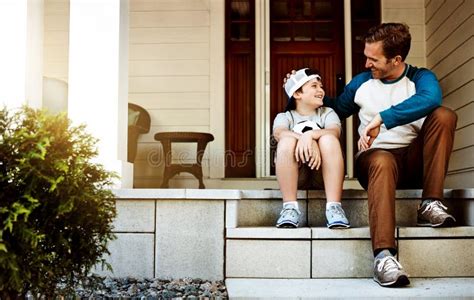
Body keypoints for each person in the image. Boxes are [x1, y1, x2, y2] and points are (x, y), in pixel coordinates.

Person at [316, 23, 456, 287]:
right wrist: (302, 93)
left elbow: (432, 99)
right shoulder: (361, 83)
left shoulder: (420, 78)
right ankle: (383, 256)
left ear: (397, 59)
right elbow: (335, 109)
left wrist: (383, 117)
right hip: (374, 160)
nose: (367, 63)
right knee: (381, 158)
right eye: (366, 56)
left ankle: (430, 203)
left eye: (373, 58)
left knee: (444, 115)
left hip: (414, 162)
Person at [273, 68, 350, 229]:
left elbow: (334, 132)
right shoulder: (285, 117)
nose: (321, 90)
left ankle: (334, 207)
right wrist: (306, 139)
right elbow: (279, 133)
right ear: (297, 94)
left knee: (329, 139)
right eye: (314, 86)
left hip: (323, 175)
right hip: (296, 175)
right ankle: (289, 207)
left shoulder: (327, 113)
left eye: (321, 86)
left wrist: (311, 136)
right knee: (286, 141)